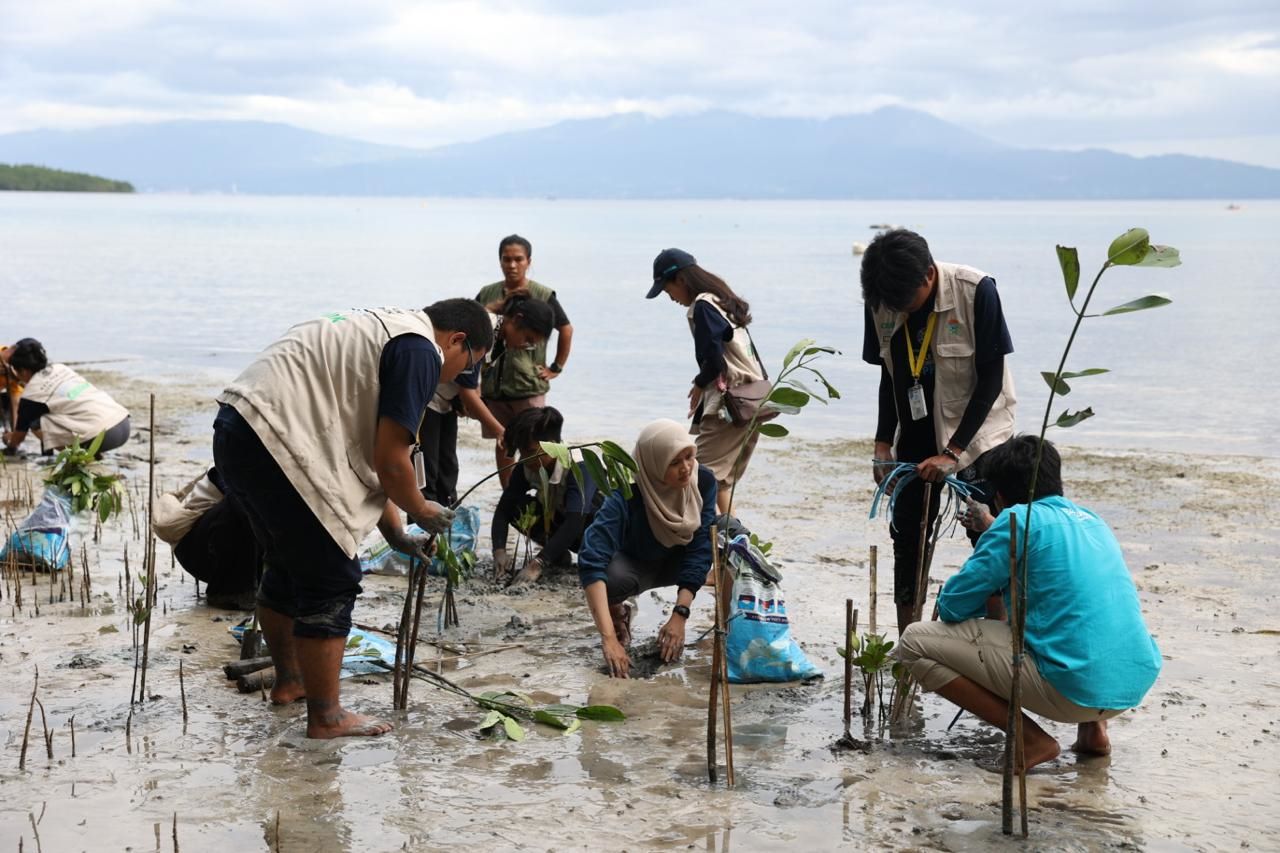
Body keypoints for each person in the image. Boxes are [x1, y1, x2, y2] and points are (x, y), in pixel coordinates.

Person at [212, 299, 492, 739]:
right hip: (276, 438)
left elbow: (369, 460)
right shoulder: (421, 351)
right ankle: (326, 717)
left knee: (287, 563)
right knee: (332, 577)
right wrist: (422, 509)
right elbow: (391, 460)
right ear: (457, 340)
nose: (457, 377)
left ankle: (291, 682)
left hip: (238, 426)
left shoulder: (386, 329)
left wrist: (398, 533)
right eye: (468, 364)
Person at [895, 436, 1162, 770]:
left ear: (1000, 496)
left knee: (914, 642)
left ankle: (1030, 739)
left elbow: (952, 606)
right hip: (1130, 685)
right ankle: (1094, 732)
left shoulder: (1015, 521)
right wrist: (998, 533)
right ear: (1056, 480)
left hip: (1070, 690)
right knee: (1079, 615)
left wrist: (992, 555)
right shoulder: (1093, 521)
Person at [860, 229, 1016, 632]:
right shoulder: (882, 298)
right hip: (914, 435)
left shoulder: (976, 291)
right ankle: (909, 642)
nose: (897, 310)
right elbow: (887, 378)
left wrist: (953, 452)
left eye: (904, 302)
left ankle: (993, 644)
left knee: (990, 541)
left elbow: (991, 380)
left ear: (929, 276)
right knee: (907, 540)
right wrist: (882, 443)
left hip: (980, 438)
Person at [577, 419, 717, 678]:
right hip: (636, 564)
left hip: (679, 561)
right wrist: (608, 639)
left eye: (689, 456)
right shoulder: (626, 492)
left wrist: (680, 615)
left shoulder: (704, 481)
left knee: (728, 541)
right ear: (654, 465)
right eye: (674, 463)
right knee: (609, 577)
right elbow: (591, 558)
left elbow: (700, 550)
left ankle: (728, 632)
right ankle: (618, 611)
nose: (686, 468)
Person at [647, 248, 764, 516]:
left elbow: (714, 361)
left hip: (730, 407)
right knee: (719, 481)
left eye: (668, 291)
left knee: (695, 475)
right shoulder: (720, 300)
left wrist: (700, 383)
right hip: (753, 401)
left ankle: (697, 545)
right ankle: (733, 545)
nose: (671, 299)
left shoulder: (702, 306)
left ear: (681, 281)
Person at [475, 235, 573, 486]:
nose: (512, 265)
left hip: (527, 385)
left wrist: (556, 367)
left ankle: (545, 488)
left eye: (518, 259)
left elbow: (566, 328)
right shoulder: (488, 293)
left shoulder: (542, 294)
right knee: (503, 442)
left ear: (529, 261)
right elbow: (474, 328)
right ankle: (508, 492)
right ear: (500, 262)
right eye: (506, 259)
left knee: (536, 439)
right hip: (494, 386)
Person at [491, 406, 602, 585]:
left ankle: (564, 554)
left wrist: (537, 564)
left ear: (551, 444)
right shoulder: (527, 465)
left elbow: (575, 520)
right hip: (559, 523)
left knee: (585, 518)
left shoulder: (578, 464)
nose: (525, 458)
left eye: (530, 451)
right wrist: (499, 551)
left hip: (591, 532)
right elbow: (505, 508)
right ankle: (557, 553)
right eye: (521, 451)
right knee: (517, 506)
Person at [152, 468, 261, 610]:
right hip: (195, 549)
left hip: (242, 546)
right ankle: (228, 592)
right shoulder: (235, 460)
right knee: (244, 500)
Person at [2, 338, 131, 456]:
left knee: (36, 423)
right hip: (123, 423)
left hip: (103, 436)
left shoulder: (31, 395)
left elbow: (19, 437)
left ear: (23, 370)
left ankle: (79, 458)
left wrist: (9, 440)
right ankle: (93, 454)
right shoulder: (61, 368)